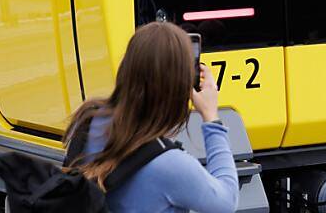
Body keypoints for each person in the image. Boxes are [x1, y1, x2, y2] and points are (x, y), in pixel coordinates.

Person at [64, 22, 238, 213]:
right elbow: (226, 202)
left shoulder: (88, 121)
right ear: (179, 87)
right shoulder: (172, 166)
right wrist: (211, 117)